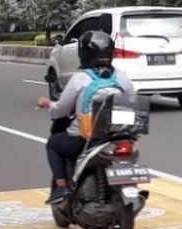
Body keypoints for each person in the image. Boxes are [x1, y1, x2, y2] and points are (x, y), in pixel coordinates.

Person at [36, 30, 134, 203]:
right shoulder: (122, 77)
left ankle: (62, 188)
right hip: (119, 137)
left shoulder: (80, 78)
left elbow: (60, 110)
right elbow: (132, 104)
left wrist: (48, 104)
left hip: (86, 138)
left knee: (53, 144)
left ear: (83, 54)